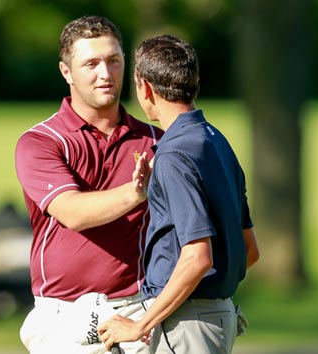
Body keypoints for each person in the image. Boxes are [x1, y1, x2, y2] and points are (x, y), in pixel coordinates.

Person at [98, 34, 260, 354]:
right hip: (217, 315)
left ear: (144, 87)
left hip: (187, 323)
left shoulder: (172, 154)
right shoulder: (216, 142)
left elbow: (198, 257)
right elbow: (249, 250)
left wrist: (140, 326)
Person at [14, 16, 163, 354]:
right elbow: (72, 213)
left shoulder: (155, 138)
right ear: (66, 71)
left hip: (139, 307)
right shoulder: (41, 142)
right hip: (63, 313)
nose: (105, 74)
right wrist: (137, 191)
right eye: (91, 63)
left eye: (114, 61)